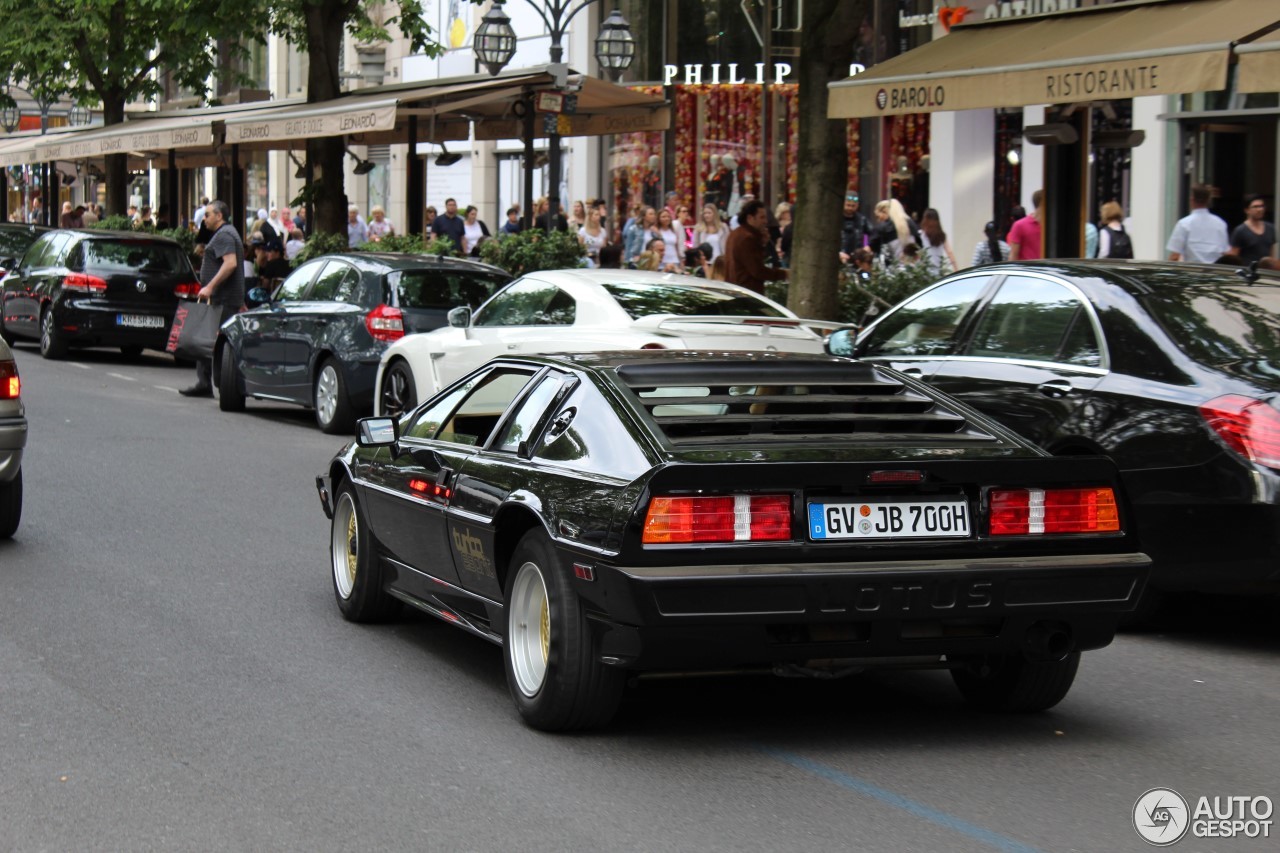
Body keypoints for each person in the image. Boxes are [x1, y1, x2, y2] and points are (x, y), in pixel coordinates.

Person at [180, 200, 245, 398]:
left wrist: (209, 286)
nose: (204, 219)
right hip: (227, 297)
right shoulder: (227, 233)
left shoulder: (224, 234)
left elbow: (230, 264)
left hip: (222, 298)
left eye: (207, 215)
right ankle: (205, 381)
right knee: (209, 338)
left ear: (219, 216)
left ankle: (213, 383)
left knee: (212, 339)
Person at [722, 198, 788, 294]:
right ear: (750, 218)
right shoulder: (747, 238)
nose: (766, 221)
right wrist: (783, 274)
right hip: (747, 293)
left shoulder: (735, 233)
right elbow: (757, 270)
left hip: (736, 290)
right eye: (762, 217)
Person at [1168, 184, 1230, 263]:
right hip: (1215, 271)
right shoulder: (1220, 223)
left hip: (1192, 271)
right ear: (1208, 200)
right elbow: (1225, 252)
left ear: (1192, 200)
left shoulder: (1184, 224)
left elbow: (1174, 256)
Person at [1229, 195, 1277, 264]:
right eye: (1255, 207)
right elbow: (1233, 257)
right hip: (1248, 271)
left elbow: (1272, 254)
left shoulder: (1270, 228)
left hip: (1265, 272)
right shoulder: (1240, 231)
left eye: (1262, 206)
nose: (1260, 209)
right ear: (1247, 210)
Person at [870, 199, 920, 264]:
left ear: (885, 212)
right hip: (913, 267)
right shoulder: (912, 225)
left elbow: (873, 245)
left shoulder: (884, 229)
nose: (878, 221)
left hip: (894, 268)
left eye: (878, 217)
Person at [1008, 190, 1044, 261]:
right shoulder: (1020, 225)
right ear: (1041, 204)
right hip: (1027, 270)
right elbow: (1013, 256)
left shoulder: (1050, 226)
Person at [839, 192, 872, 263]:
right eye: (848, 205)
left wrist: (869, 246)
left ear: (857, 205)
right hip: (839, 257)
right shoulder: (835, 219)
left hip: (857, 258)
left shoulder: (862, 219)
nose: (850, 208)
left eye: (853, 206)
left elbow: (874, 234)